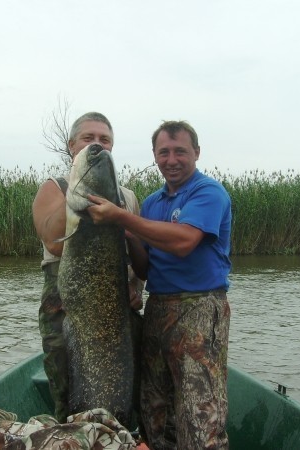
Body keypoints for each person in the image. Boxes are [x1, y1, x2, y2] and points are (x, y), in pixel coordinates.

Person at [86, 120, 232, 449]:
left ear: (196, 152)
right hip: (158, 307)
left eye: (180, 151)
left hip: (199, 307)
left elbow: (184, 242)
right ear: (154, 156)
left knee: (200, 410)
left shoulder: (208, 192)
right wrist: (130, 236)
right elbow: (145, 268)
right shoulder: (152, 203)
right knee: (155, 406)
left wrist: (123, 217)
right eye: (163, 152)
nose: (172, 159)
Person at [32, 111, 144, 424]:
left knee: (120, 386)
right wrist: (76, 200)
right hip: (65, 303)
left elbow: (136, 253)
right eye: (88, 138)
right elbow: (55, 243)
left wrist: (136, 288)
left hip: (114, 305)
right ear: (71, 146)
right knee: (68, 391)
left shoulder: (129, 198)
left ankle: (115, 435)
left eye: (104, 140)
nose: (97, 145)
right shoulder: (54, 189)